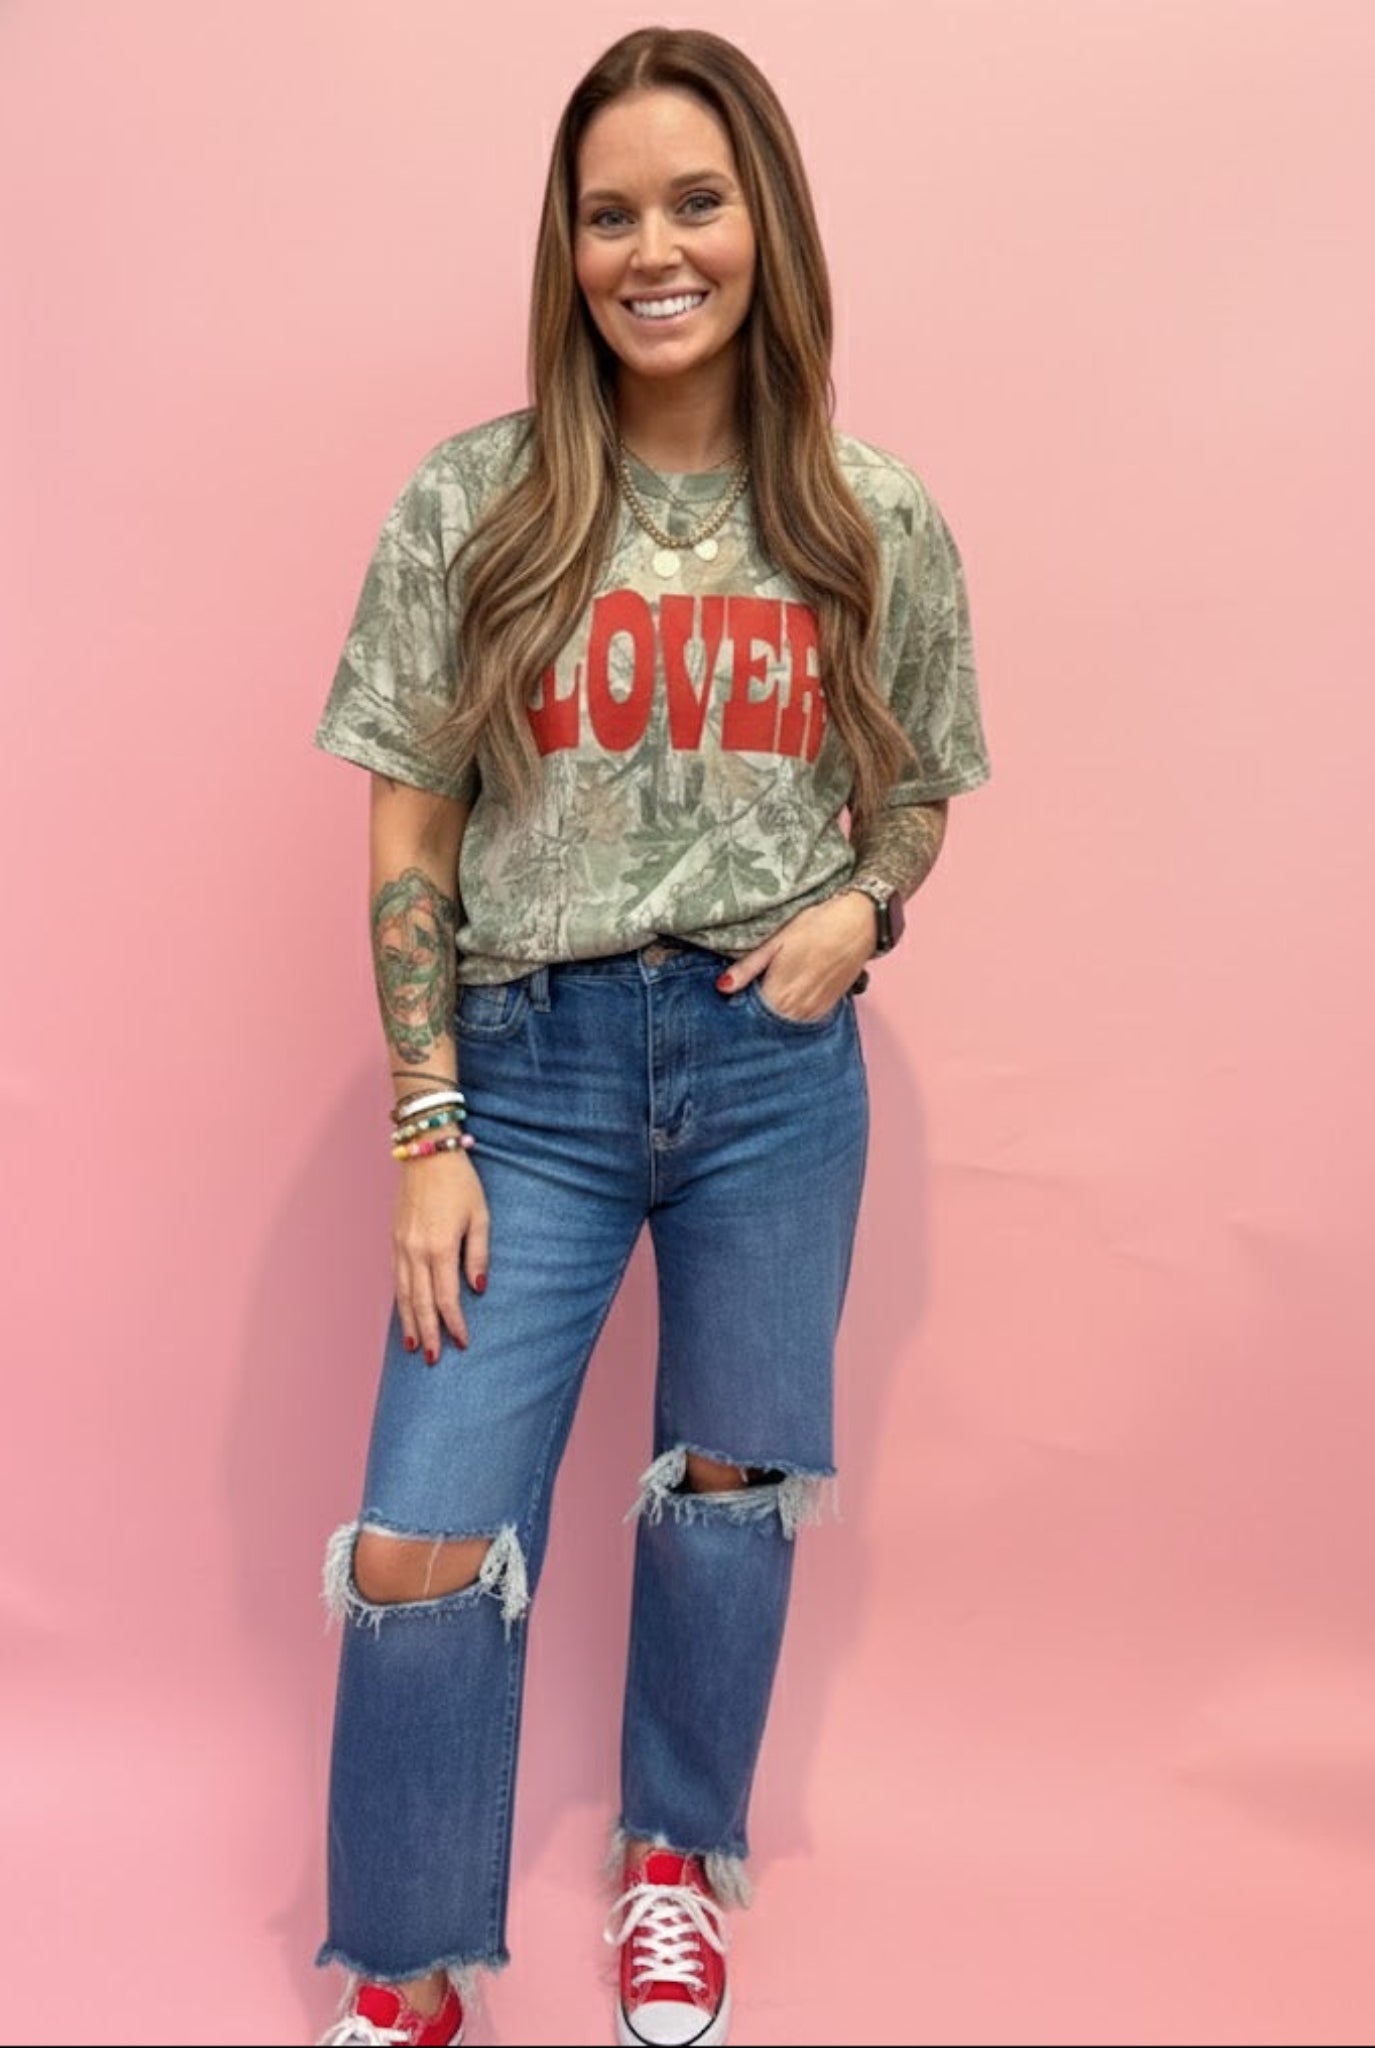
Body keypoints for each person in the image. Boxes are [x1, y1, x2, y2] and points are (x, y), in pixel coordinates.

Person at [310, 24, 990, 2048]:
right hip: (526, 1072)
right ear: (569, 246)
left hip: (774, 1078)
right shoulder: (478, 504)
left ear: (763, 225)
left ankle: (674, 1863)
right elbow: (410, 820)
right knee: (425, 1529)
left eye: (695, 201)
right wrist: (429, 1122)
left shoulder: (874, 517)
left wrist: (858, 914)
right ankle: (414, 1967)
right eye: (610, 213)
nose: (652, 248)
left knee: (723, 1490)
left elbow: (924, 791)